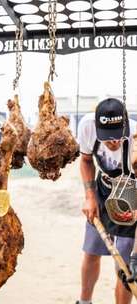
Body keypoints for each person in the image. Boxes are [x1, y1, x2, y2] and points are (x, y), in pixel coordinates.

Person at [76, 98, 137, 304]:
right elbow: (85, 161)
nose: (114, 143)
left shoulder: (136, 138)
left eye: (118, 137)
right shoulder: (86, 126)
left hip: (131, 195)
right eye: (108, 138)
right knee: (92, 251)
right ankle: (84, 302)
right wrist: (90, 197)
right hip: (102, 190)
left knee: (125, 265)